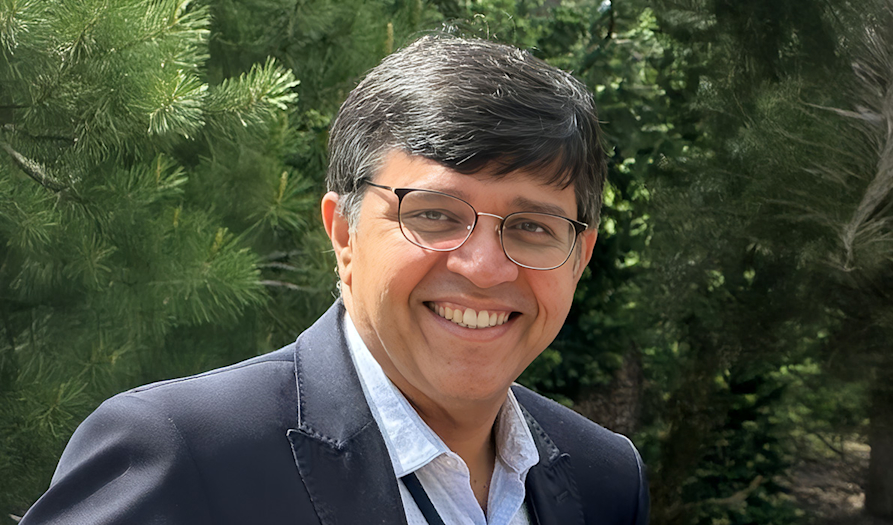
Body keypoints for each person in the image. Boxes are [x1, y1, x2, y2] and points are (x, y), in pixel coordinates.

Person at [20, 35, 649, 525]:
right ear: (343, 233)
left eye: (532, 227)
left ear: (580, 252)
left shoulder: (605, 480)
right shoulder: (183, 457)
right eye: (434, 215)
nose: (483, 268)